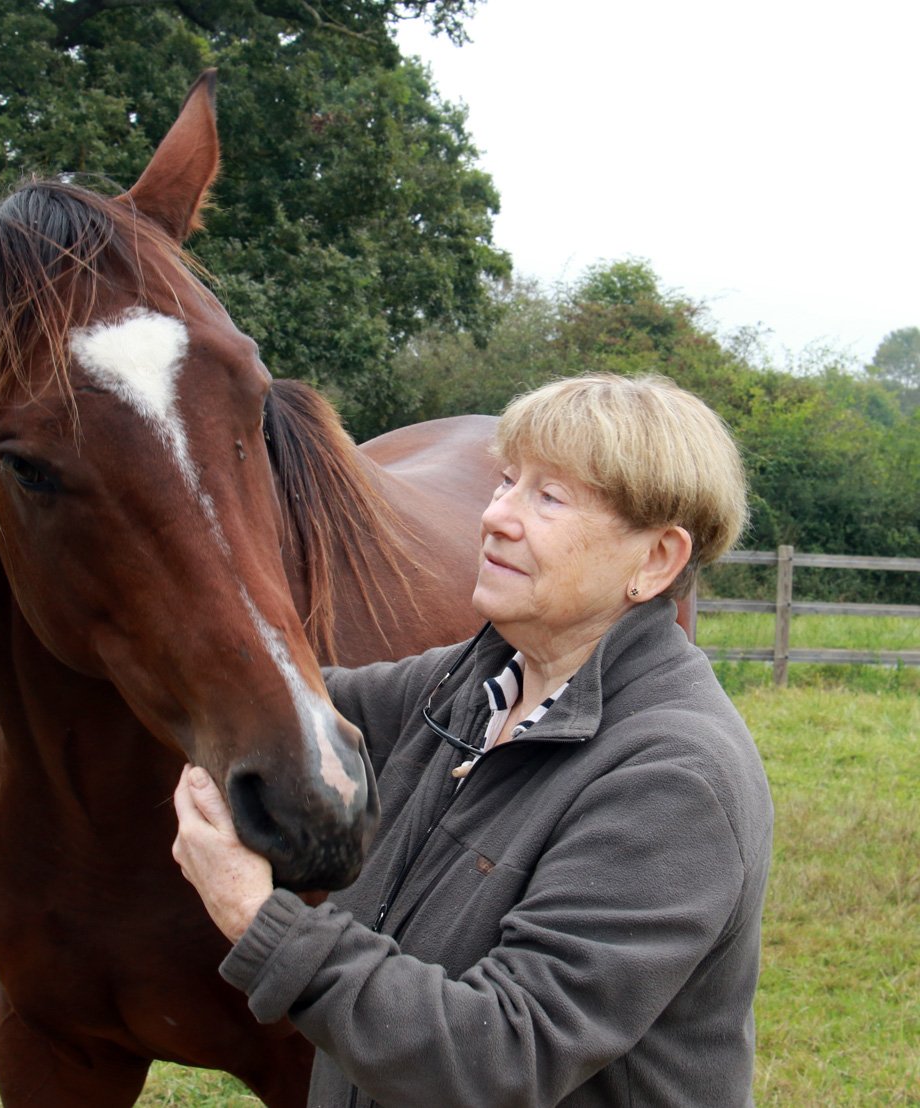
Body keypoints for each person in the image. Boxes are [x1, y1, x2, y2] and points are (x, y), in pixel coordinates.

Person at [173, 372, 773, 1107]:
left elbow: (505, 1057)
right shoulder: (471, 684)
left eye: (549, 498)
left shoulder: (675, 780)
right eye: (507, 482)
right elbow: (284, 706)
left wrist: (257, 918)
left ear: (655, 561)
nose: (495, 517)